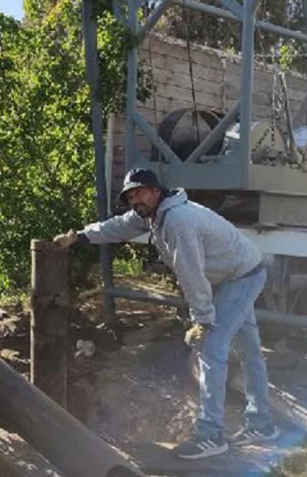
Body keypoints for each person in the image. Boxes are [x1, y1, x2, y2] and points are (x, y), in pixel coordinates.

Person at [53, 168, 279, 460]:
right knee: (249, 350)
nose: (135, 200)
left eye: (139, 192)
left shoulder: (177, 221)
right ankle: (262, 424)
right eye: (130, 196)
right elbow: (119, 226)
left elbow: (192, 275)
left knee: (211, 348)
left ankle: (210, 435)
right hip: (234, 273)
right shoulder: (156, 213)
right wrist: (81, 237)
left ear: (156, 190)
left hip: (241, 277)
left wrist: (203, 319)